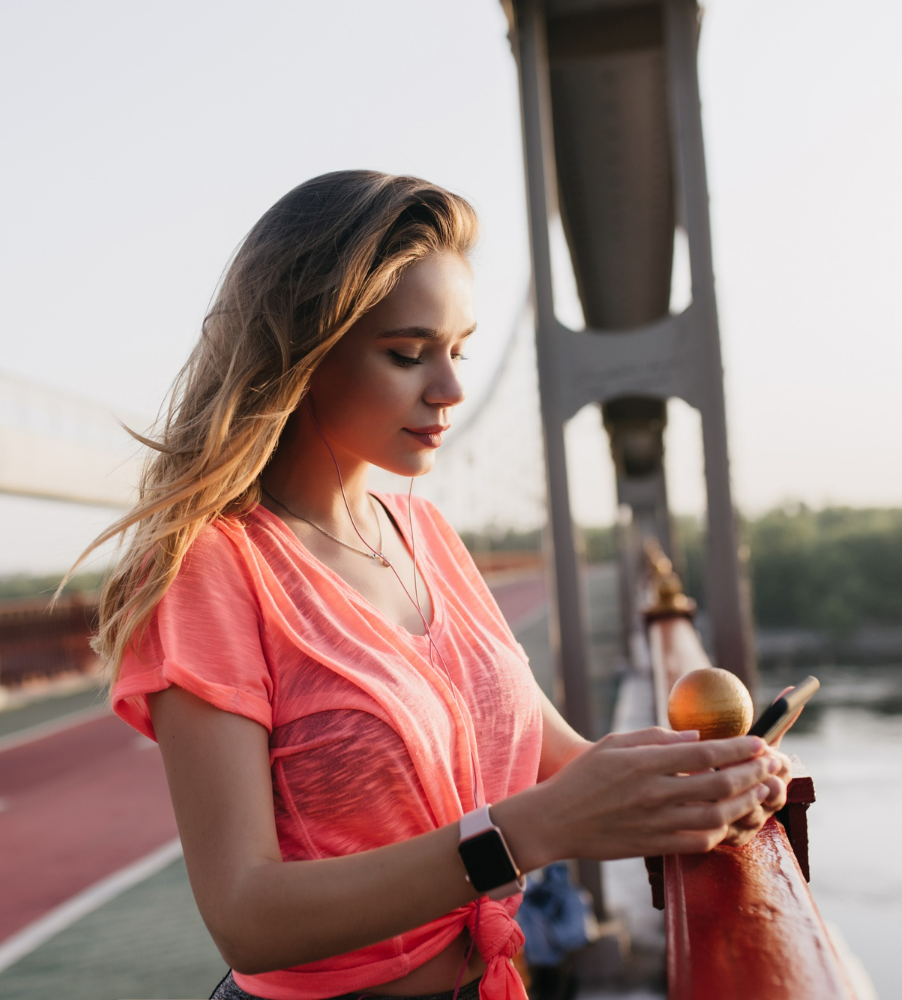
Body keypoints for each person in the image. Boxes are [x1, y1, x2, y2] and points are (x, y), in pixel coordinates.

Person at [71, 171, 790, 1000]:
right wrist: (529, 834)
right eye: (409, 354)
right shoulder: (214, 568)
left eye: (459, 351)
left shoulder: (425, 534)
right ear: (301, 353)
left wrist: (701, 778)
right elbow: (245, 916)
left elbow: (560, 767)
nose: (449, 390)